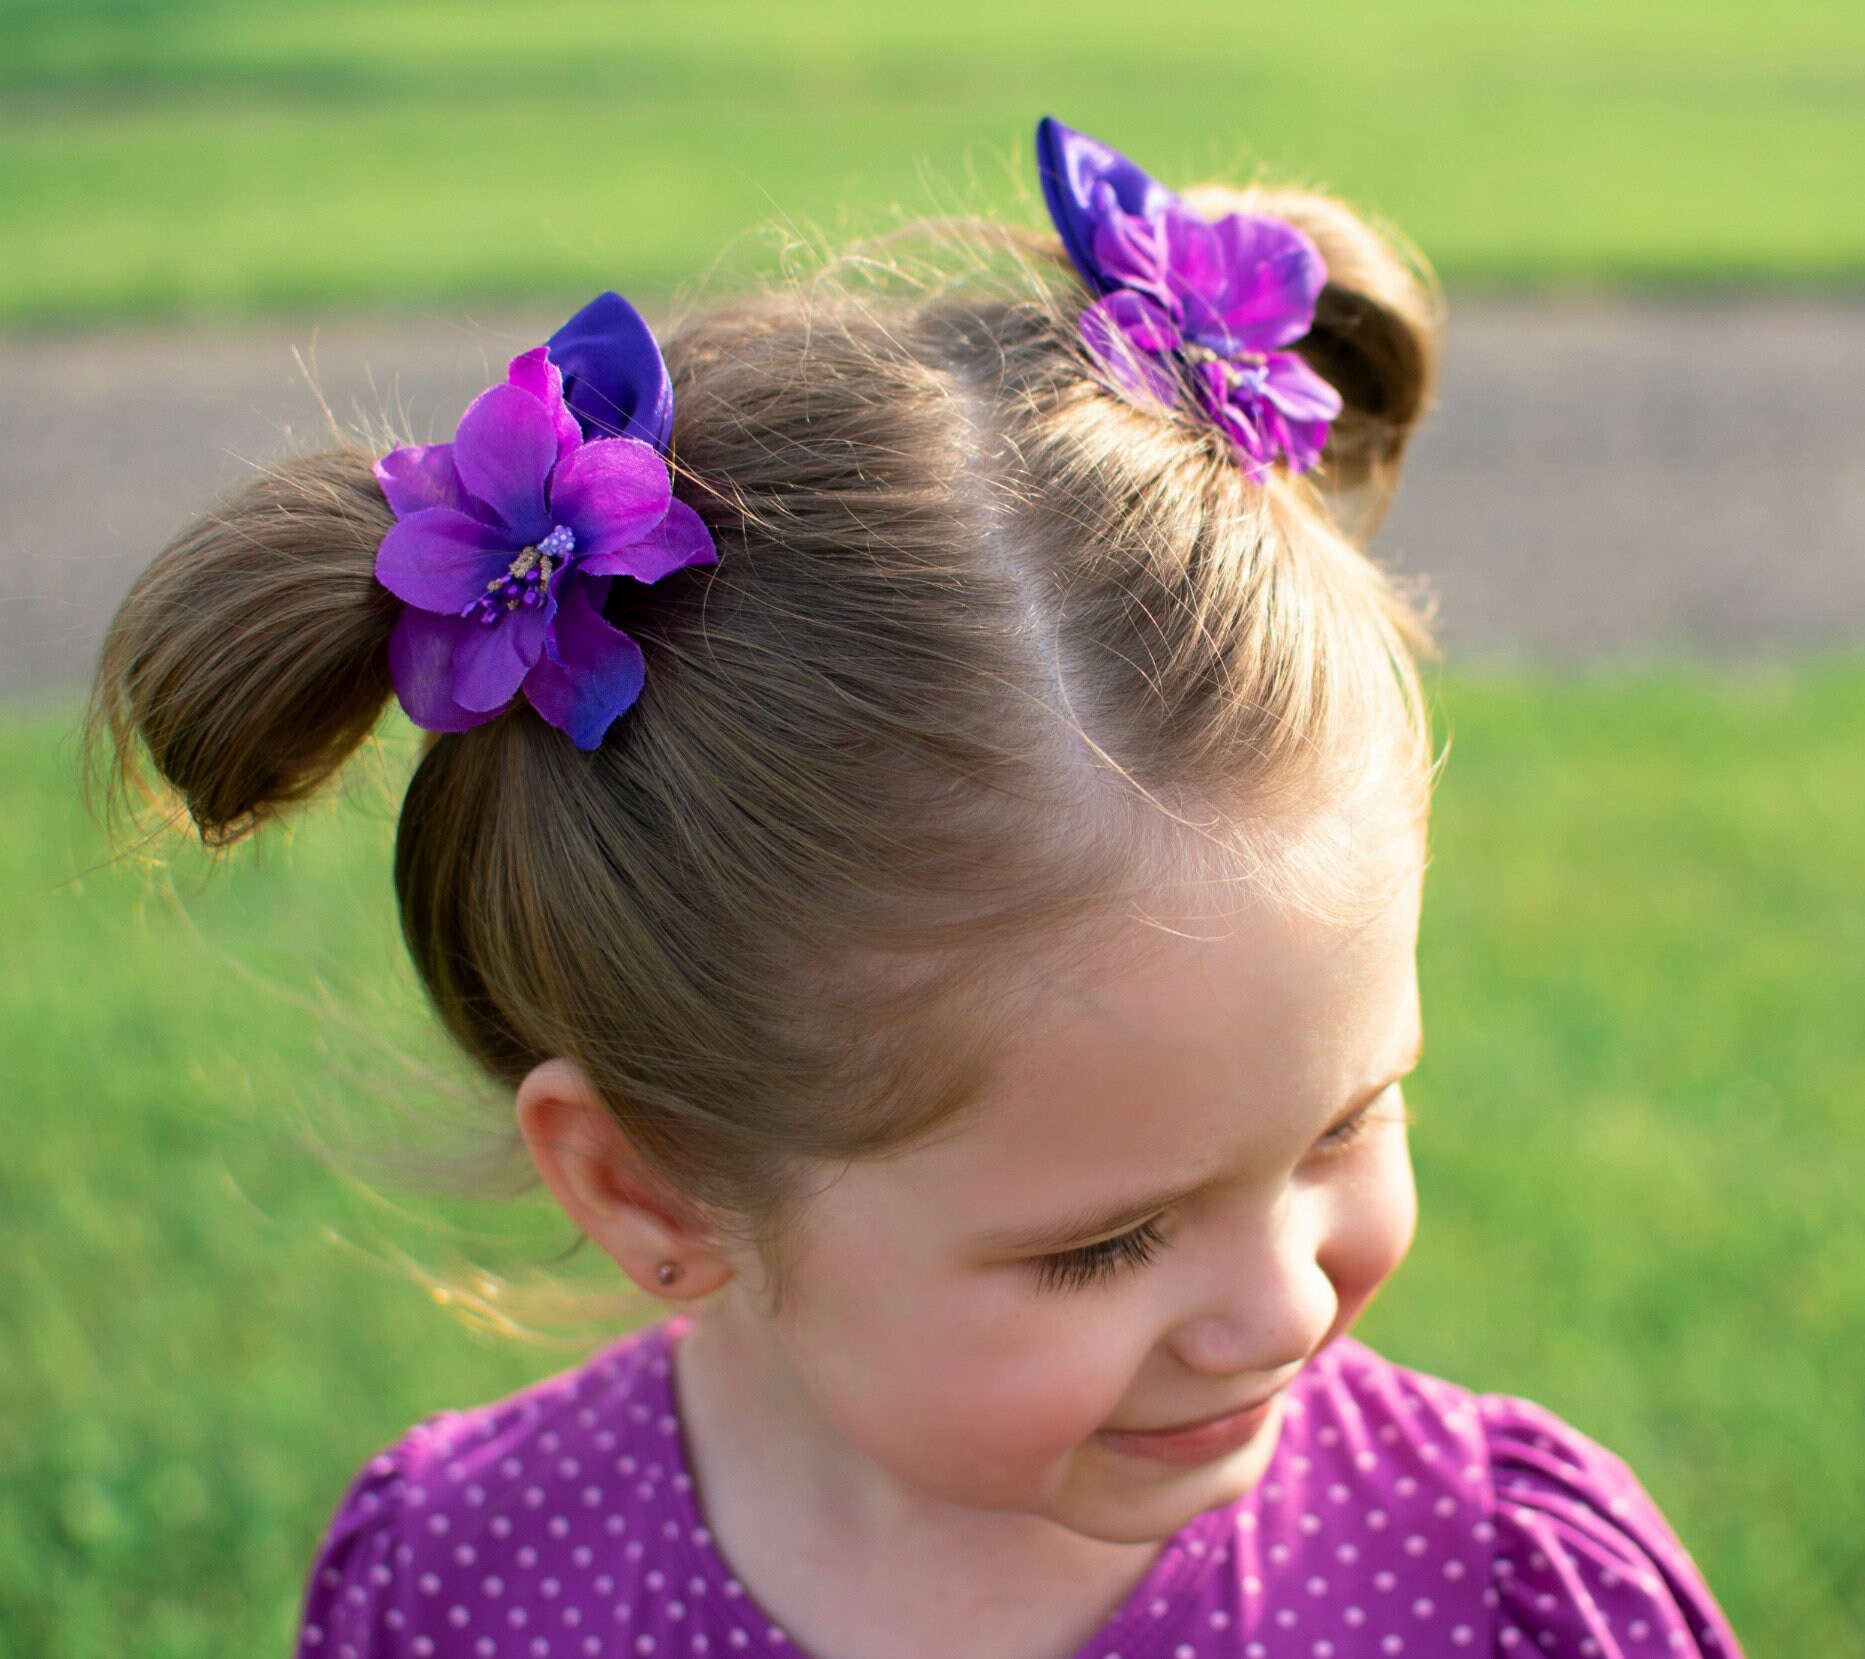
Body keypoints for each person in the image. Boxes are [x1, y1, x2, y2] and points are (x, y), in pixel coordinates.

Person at [87, 117, 1745, 1659]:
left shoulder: (1495, 1598)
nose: (1284, 1305)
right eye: (1105, 1247)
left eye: (1344, 1125)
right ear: (646, 1188)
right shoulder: (473, 1591)